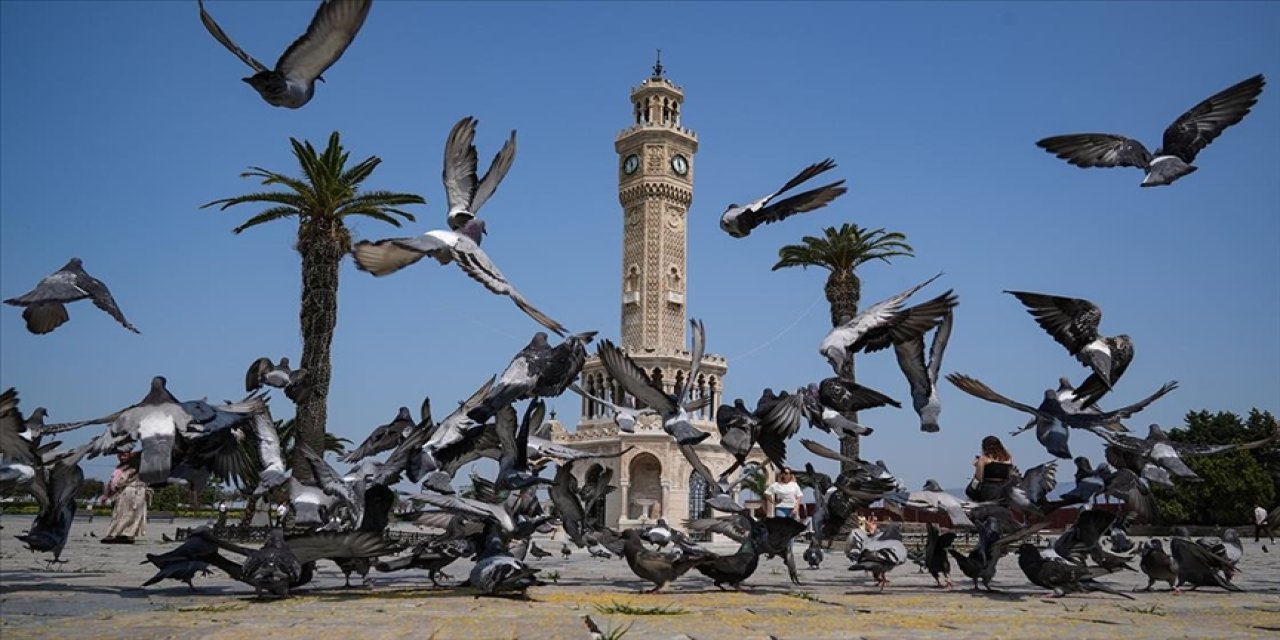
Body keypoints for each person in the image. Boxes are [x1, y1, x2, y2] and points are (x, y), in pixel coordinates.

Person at [101, 451, 151, 544]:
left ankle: (126, 534)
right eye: (120, 455)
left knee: (131, 514)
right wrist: (107, 494)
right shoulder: (121, 467)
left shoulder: (136, 465)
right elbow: (113, 482)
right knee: (121, 514)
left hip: (134, 491)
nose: (122, 457)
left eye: (124, 455)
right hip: (125, 492)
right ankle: (119, 534)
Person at [968, 435, 1014, 502]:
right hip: (1005, 490)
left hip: (989, 490)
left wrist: (977, 465)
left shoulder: (983, 459)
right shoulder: (1008, 458)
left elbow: (979, 478)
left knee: (969, 491)